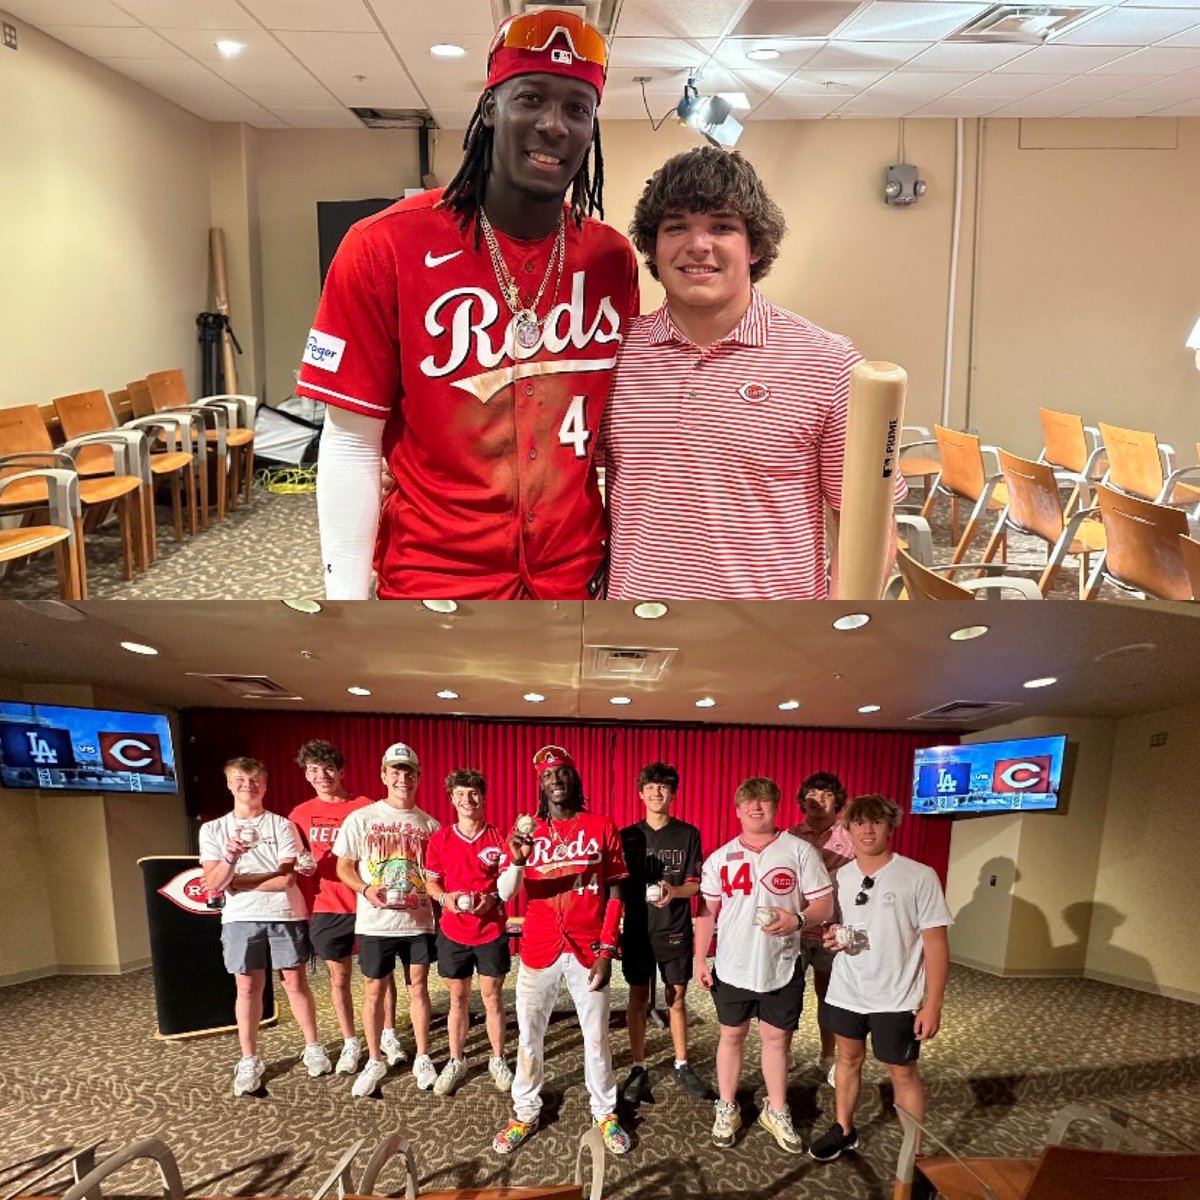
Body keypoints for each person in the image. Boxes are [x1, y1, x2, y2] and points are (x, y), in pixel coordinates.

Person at [297, 7, 640, 600]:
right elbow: (351, 441)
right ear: (489, 109)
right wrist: (343, 609)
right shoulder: (384, 246)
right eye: (531, 98)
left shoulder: (611, 259)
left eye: (577, 109)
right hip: (435, 586)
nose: (554, 124)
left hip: (575, 582)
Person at [601, 146, 905, 600]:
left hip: (774, 634)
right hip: (637, 629)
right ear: (652, 246)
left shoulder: (827, 362)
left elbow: (869, 526)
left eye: (722, 226)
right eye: (676, 227)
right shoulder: (614, 356)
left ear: (755, 246)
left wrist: (837, 628)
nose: (698, 245)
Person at [492, 745, 631, 1156]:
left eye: (563, 772)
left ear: (575, 778)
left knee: (597, 1037)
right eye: (548, 775)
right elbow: (505, 893)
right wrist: (517, 860)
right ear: (541, 784)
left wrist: (608, 949)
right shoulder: (527, 831)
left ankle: (605, 1112)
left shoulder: (600, 825)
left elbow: (616, 890)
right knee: (530, 1037)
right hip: (539, 948)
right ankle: (525, 1112)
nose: (556, 780)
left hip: (588, 948)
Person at [809, 794, 952, 1164]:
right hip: (847, 990)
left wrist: (933, 1003)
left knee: (902, 1074)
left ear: (891, 826)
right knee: (847, 1060)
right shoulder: (839, 878)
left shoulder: (918, 876)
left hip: (897, 997)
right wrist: (831, 936)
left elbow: (935, 943)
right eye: (859, 822)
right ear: (848, 830)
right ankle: (844, 1129)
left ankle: (915, 1157)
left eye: (876, 821)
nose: (867, 830)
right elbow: (832, 928)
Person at [693, 777, 834, 1153]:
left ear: (776, 807)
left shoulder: (800, 851)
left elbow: (824, 905)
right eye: (749, 802)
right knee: (731, 1036)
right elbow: (707, 912)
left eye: (765, 801)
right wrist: (699, 958)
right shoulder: (720, 857)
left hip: (781, 964)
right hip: (732, 965)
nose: (757, 807)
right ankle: (727, 1106)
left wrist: (798, 920)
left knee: (776, 1040)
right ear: (737, 810)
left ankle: (777, 1108)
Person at [199, 757, 329, 1096]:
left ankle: (312, 1046)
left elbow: (285, 880)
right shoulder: (213, 830)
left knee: (295, 983)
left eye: (255, 780)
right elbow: (213, 883)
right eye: (241, 780)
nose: (248, 786)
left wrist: (237, 881)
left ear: (265, 785)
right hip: (240, 918)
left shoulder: (282, 826)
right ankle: (249, 1059)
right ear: (229, 784)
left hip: (285, 912)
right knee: (247, 987)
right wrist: (230, 858)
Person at [288, 739, 404, 1076]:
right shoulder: (299, 815)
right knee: (339, 978)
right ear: (306, 774)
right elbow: (293, 858)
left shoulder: (365, 806)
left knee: (380, 975)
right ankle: (351, 1041)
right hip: (327, 905)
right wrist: (300, 866)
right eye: (314, 770)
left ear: (341, 771)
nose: (322, 776)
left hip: (370, 904)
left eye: (328, 769)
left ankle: (388, 1033)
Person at [334, 743, 441, 1097]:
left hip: (418, 922)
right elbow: (343, 867)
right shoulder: (362, 818)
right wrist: (366, 890)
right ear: (383, 775)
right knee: (373, 988)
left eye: (408, 773)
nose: (402, 779)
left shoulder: (430, 825)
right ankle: (375, 1059)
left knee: (419, 988)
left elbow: (436, 876)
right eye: (395, 772)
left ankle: (423, 1056)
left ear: (418, 777)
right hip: (375, 923)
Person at [618, 762, 708, 1105]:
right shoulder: (626, 836)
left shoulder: (688, 834)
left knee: (677, 999)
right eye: (651, 787)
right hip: (637, 930)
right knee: (638, 998)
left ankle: (682, 1063)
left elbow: (695, 884)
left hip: (674, 928)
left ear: (673, 794)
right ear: (641, 794)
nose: (657, 792)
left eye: (664, 787)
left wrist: (674, 891)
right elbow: (615, 885)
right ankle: (638, 1066)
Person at [423, 769, 518, 1096]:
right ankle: (456, 1059)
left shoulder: (498, 838)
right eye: (461, 794)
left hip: (490, 931)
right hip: (453, 932)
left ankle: (497, 1058)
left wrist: (492, 900)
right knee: (458, 998)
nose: (468, 799)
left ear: (483, 797)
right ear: (452, 799)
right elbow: (431, 882)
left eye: (474, 793)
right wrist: (444, 899)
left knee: (493, 998)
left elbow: (508, 883)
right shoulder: (440, 839)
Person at [786, 771, 856, 1084]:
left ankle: (828, 1056)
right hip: (796, 930)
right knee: (788, 995)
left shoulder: (851, 838)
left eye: (827, 794)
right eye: (812, 794)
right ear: (803, 801)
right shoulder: (789, 837)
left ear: (837, 802)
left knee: (830, 997)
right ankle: (784, 1052)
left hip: (833, 932)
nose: (819, 800)